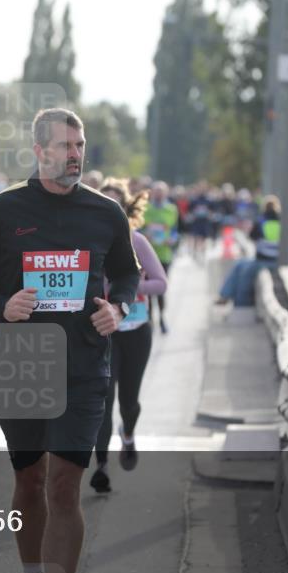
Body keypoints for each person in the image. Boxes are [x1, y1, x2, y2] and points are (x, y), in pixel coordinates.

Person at [0, 108, 139, 573]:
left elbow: (127, 272)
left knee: (64, 483)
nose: (75, 154)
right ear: (39, 151)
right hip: (22, 360)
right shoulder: (2, 210)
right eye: (65, 146)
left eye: (80, 145)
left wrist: (117, 308)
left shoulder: (106, 213)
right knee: (30, 480)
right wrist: (1, 305)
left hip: (83, 363)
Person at [89, 180, 167, 494]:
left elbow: (161, 283)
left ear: (124, 210)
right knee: (103, 400)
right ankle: (102, 467)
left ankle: (129, 434)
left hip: (136, 331)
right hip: (104, 333)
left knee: (129, 401)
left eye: (115, 205)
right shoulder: (88, 243)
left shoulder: (137, 241)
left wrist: (127, 287)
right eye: (102, 203)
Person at [216, 195, 282, 307]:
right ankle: (226, 297)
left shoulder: (261, 222)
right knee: (241, 265)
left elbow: (252, 237)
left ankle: (233, 301)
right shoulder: (282, 223)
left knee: (242, 272)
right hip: (278, 260)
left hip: (263, 261)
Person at [143, 181, 179, 333]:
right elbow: (138, 229)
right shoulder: (145, 209)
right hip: (147, 254)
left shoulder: (171, 209)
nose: (158, 194)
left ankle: (162, 318)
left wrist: (173, 239)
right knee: (149, 289)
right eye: (156, 191)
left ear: (166, 193)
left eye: (161, 191)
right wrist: (146, 235)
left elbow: (177, 230)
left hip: (164, 255)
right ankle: (150, 319)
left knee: (161, 289)